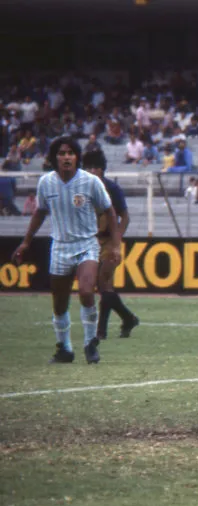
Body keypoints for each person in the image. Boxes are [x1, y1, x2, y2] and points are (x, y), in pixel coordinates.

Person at [12, 136, 120, 364]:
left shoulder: (90, 182)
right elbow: (40, 212)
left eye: (71, 153)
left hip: (86, 244)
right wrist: (26, 242)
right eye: (62, 153)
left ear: (77, 157)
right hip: (60, 246)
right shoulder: (46, 183)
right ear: (54, 158)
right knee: (59, 302)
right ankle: (65, 349)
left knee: (86, 291)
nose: (66, 157)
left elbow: (110, 211)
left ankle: (90, 344)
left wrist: (116, 245)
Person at [82, 150, 139, 341]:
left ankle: (102, 330)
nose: (91, 170)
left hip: (108, 240)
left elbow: (126, 217)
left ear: (102, 169)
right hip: (91, 240)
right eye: (87, 167)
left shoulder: (111, 188)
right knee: (104, 285)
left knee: (102, 281)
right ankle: (126, 319)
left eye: (94, 167)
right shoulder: (83, 188)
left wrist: (116, 241)